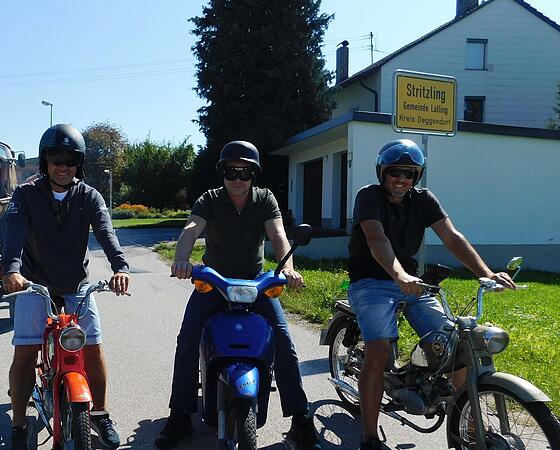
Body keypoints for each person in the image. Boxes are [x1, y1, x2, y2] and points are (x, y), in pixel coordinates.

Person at [348, 139, 516, 450]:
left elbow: (452, 236)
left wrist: (485, 273)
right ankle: (369, 437)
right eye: (395, 172)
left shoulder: (424, 200)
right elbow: (376, 238)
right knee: (378, 350)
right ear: (382, 173)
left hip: (414, 282)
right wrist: (398, 275)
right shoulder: (368, 196)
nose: (402, 180)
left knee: (457, 348)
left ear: (417, 176)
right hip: (371, 281)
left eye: (410, 174)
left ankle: (468, 428)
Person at [154, 141, 322, 450]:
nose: (237, 178)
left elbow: (278, 235)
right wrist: (182, 259)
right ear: (222, 172)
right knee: (188, 338)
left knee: (283, 340)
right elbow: (191, 228)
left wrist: (289, 269)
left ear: (254, 174)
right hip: (213, 282)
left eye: (245, 172)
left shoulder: (265, 199)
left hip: (255, 283)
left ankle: (300, 418)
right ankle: (180, 415)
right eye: (231, 171)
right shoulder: (210, 200)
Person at [0, 124, 130, 450]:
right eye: (55, 158)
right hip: (33, 285)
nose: (62, 165)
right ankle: (18, 423)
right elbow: (14, 232)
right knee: (26, 352)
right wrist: (11, 271)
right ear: (44, 161)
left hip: (77, 287)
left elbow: (106, 233)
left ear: (79, 163)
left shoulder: (89, 196)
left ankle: (99, 413)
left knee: (94, 348)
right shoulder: (26, 194)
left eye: (70, 159)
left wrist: (121, 268)